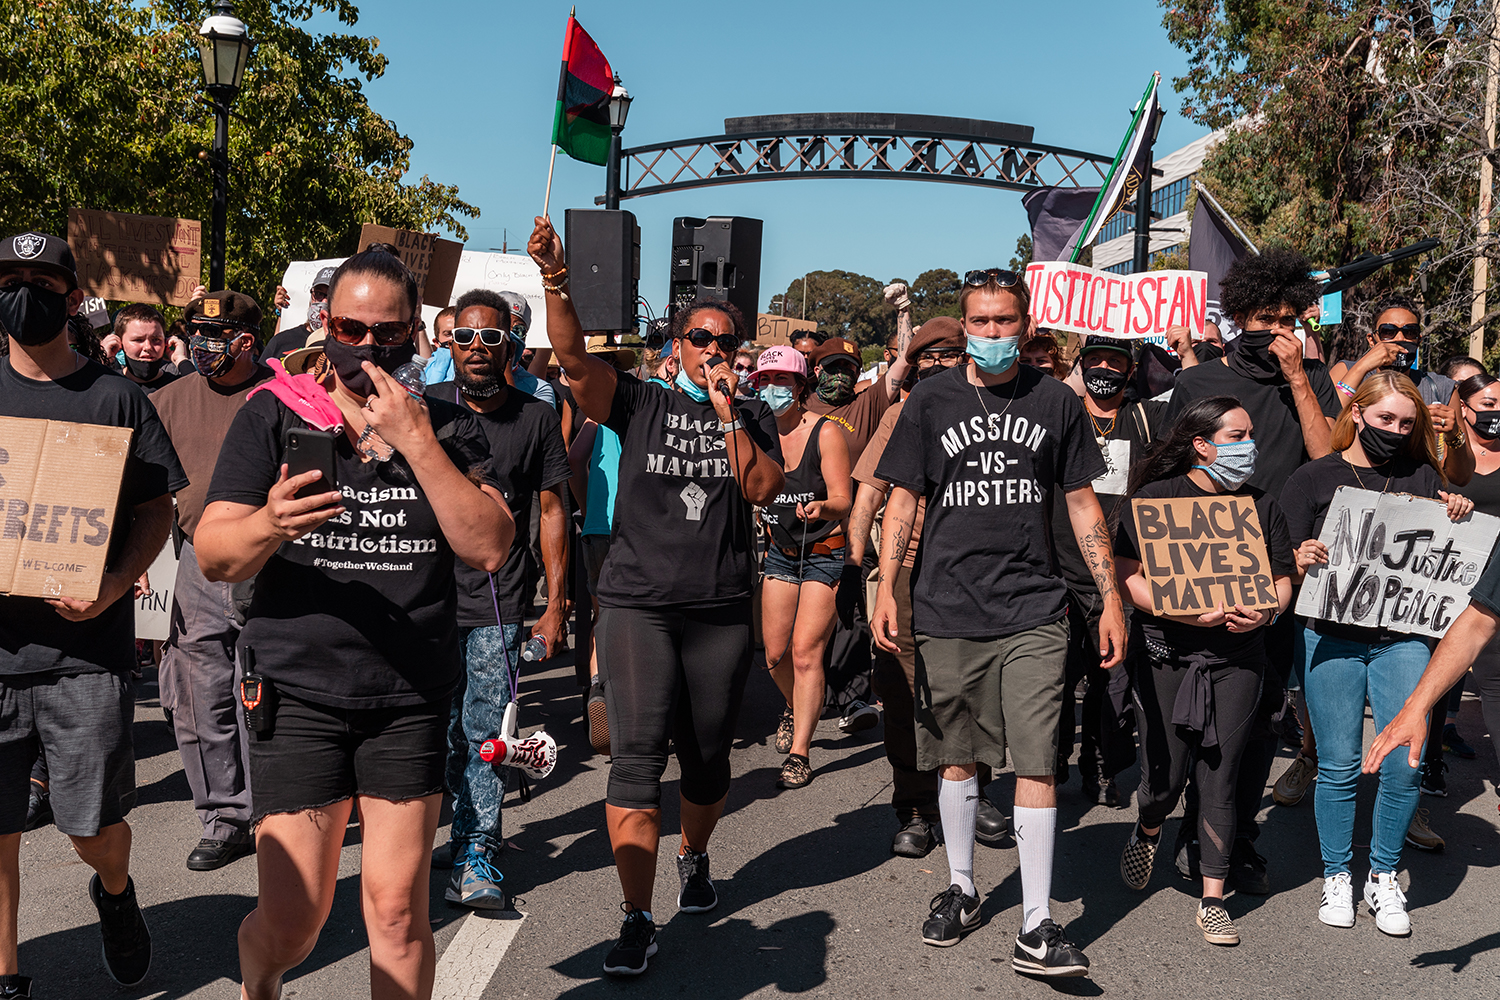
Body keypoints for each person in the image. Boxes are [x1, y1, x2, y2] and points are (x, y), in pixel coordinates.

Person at [195, 246, 514, 1000]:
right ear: (323, 323)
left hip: (407, 697)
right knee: (294, 922)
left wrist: (419, 443)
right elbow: (213, 553)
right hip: (298, 692)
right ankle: (261, 982)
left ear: (416, 335)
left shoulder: (446, 428)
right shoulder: (273, 414)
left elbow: (489, 547)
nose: (369, 346)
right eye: (351, 327)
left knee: (399, 915)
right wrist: (270, 522)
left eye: (390, 332)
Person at [527, 215, 784, 977]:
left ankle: (694, 856)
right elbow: (572, 359)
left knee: (706, 763)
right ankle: (636, 916)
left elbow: (763, 488)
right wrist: (556, 280)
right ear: (677, 345)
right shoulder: (639, 403)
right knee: (635, 761)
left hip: (718, 609)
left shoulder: (753, 415)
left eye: (725, 343)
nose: (713, 351)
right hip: (638, 604)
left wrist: (730, 412)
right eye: (700, 340)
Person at [871, 267, 1124, 976]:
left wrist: (1110, 598)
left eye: (1004, 322)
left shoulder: (1056, 402)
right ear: (964, 326)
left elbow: (1081, 505)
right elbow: (902, 500)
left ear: (1026, 322)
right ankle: (962, 887)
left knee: (1037, 759)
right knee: (956, 755)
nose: (991, 334)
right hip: (948, 606)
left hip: (1035, 610)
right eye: (979, 323)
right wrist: (888, 585)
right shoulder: (930, 400)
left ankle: (1038, 924)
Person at [0, 231, 187, 993]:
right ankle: (8, 975)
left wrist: (113, 587)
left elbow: (155, 509)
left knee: (93, 831)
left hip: (85, 654)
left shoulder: (117, 396)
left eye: (40, 279)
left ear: (73, 298)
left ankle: (114, 892)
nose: (22, 291)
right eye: (8, 277)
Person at [1160, 246, 1342, 893]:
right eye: (1268, 317)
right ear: (1238, 317)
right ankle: (1191, 827)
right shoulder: (1198, 381)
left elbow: (1328, 465)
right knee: (1201, 715)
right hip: (1206, 563)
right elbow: (1167, 475)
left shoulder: (1311, 381)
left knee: (1263, 715)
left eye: (1291, 317)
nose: (1280, 329)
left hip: (1284, 567)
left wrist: (1299, 379)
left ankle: (1237, 841)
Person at [1281, 372, 1471, 937]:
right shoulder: (1313, 478)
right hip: (1330, 637)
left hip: (1405, 639)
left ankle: (1383, 875)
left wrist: (1456, 511)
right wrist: (1300, 557)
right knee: (1338, 765)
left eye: (1407, 423)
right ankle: (1337, 874)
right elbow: (1279, 563)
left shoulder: (1422, 477)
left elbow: (1446, 555)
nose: (1395, 430)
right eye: (1385, 418)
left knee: (1404, 763)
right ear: (1357, 414)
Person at [1114, 397, 1294, 946]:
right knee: (1166, 775)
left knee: (1224, 772)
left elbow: (1284, 578)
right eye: (1237, 435)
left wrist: (1266, 611)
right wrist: (1180, 608)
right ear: (1201, 444)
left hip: (1239, 659)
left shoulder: (1263, 506)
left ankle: (1212, 897)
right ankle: (1150, 826)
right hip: (1167, 655)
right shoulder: (1152, 501)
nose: (1250, 446)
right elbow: (1126, 577)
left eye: (1250, 435)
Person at [423, 289, 570, 910]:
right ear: (448, 343)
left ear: (511, 341)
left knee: (487, 726)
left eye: (491, 337)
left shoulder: (537, 417)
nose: (478, 349)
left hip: (498, 596)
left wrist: (555, 600)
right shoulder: (423, 411)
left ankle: (478, 848)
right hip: (426, 598)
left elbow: (552, 507)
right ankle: (457, 831)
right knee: (444, 729)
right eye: (466, 338)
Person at [847, 318, 1009, 854]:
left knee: (977, 688)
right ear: (913, 365)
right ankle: (915, 806)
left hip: (977, 573)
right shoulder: (901, 412)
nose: (939, 365)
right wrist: (859, 566)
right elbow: (870, 492)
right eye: (928, 358)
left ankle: (976, 791)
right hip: (911, 573)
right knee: (903, 690)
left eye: (950, 355)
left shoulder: (993, 410)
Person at [151, 290, 274, 872]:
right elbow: (144, 494)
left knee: (270, 692)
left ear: (247, 342)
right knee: (200, 697)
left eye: (215, 334)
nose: (201, 343)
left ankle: (276, 807)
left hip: (276, 564)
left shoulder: (284, 394)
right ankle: (225, 818)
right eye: (193, 330)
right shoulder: (166, 400)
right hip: (195, 563)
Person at [1054, 335, 1160, 805]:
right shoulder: (1060, 413)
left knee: (1110, 677)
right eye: (1093, 358)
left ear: (1130, 370)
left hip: (1120, 570)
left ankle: (1101, 767)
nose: (1103, 367)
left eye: (1114, 360)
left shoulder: (1146, 419)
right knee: (1054, 673)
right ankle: (1050, 762)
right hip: (1058, 566)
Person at [752, 345, 852, 788]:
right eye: (766, 381)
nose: (774, 389)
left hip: (824, 553)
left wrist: (822, 507)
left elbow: (844, 500)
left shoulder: (826, 432)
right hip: (780, 554)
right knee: (774, 656)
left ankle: (800, 752)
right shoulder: (757, 432)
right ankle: (796, 706)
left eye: (782, 381)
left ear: (800, 385)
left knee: (805, 653)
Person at [1328, 294, 1472, 486]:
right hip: (1354, 487)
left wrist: (1454, 434)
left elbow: (1461, 478)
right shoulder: (1348, 372)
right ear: (1372, 339)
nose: (1399, 338)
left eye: (1409, 332)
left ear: (1419, 340)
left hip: (1416, 494)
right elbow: (1327, 429)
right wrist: (1363, 366)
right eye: (1388, 331)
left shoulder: (1441, 389)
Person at [260, 265, 335, 361]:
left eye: (331, 296)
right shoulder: (281, 341)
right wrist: (281, 314)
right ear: (311, 295)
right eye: (319, 293)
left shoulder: (348, 346)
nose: (324, 302)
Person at [114, 303, 180, 392]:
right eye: (138, 340)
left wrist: (181, 359)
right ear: (120, 342)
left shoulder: (178, 385)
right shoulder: (109, 384)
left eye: (156, 339)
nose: (148, 347)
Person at [419, 306, 458, 385]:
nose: (454, 338)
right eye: (448, 334)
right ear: (436, 343)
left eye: (459, 332)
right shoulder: (427, 368)